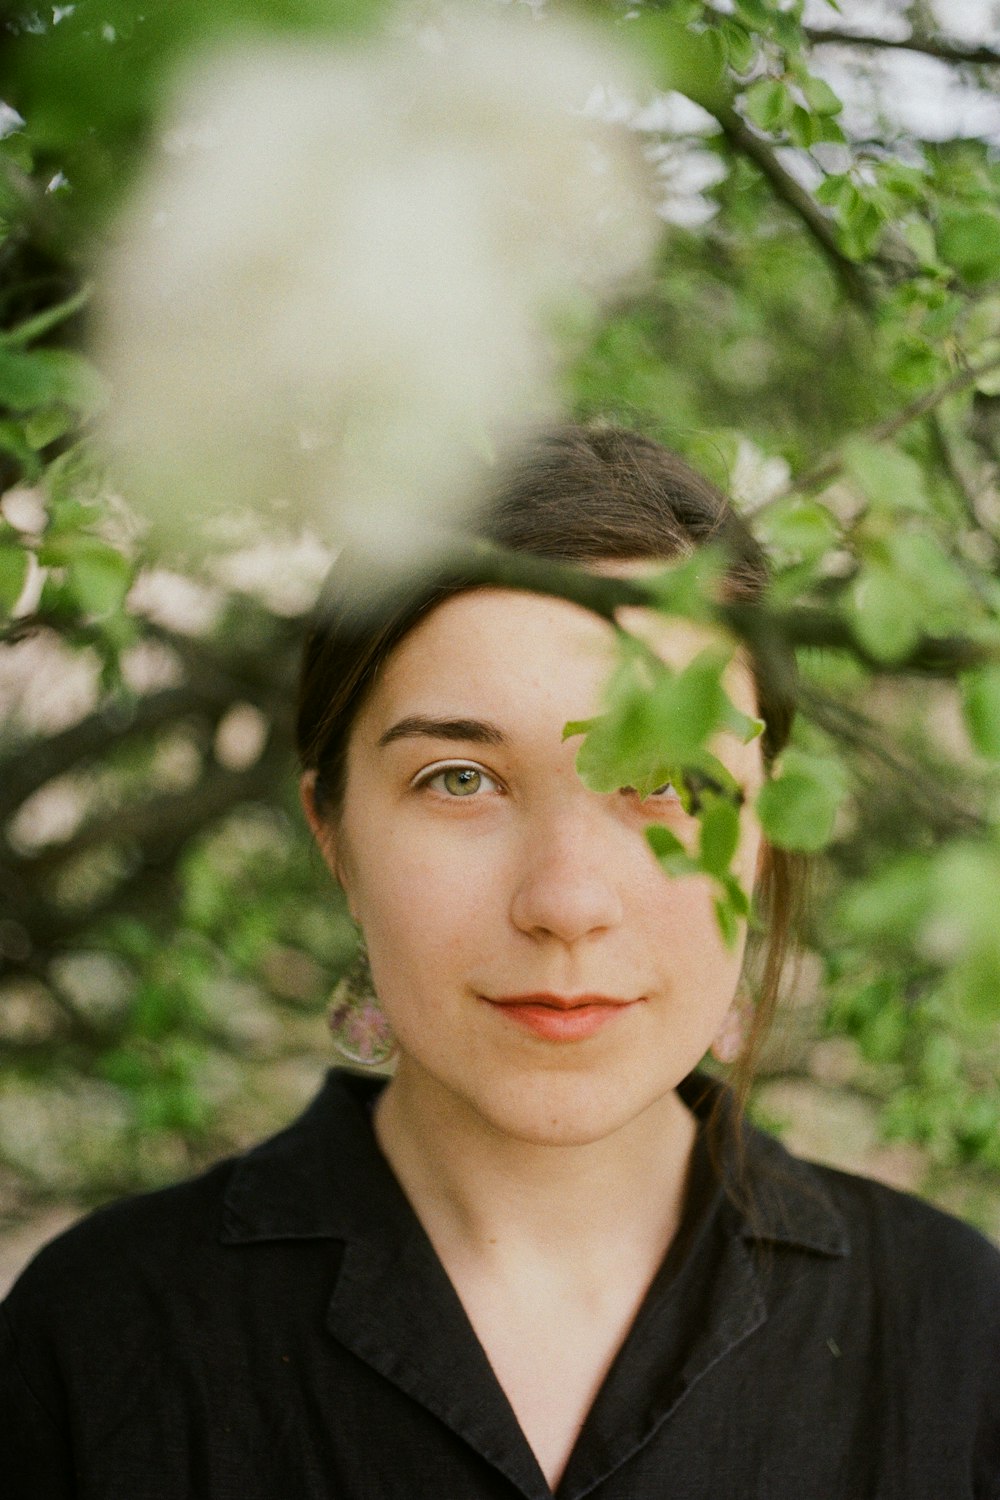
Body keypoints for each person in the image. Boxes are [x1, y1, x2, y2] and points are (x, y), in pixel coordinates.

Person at [3, 424, 999, 1499]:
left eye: (665, 778)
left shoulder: (957, 1334)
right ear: (331, 831)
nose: (565, 901)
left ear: (767, 830)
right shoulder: (98, 1337)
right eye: (460, 779)